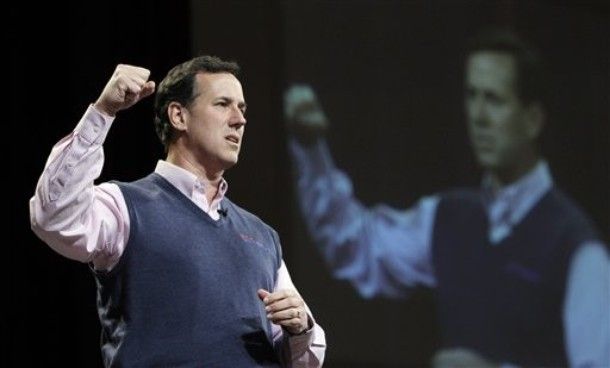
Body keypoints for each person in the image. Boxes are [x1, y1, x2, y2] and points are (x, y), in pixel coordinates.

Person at [284, 30, 609, 367]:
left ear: (532, 119)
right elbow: (356, 244)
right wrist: (311, 148)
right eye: (472, 96)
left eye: (494, 100)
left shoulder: (578, 251)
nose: (478, 117)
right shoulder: (448, 218)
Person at [29, 55, 326, 367]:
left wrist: (300, 329)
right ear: (178, 116)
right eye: (223, 104)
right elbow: (53, 216)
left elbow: (305, 358)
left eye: (242, 108)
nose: (240, 119)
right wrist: (103, 112)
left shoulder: (263, 237)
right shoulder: (126, 207)